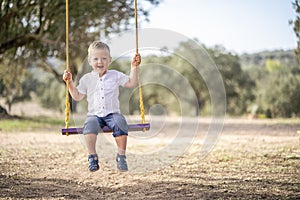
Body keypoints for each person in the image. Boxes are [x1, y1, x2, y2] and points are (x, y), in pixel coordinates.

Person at [63, 41, 141, 172]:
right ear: (89, 61)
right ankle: (92, 156)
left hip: (113, 113)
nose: (100, 61)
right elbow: (76, 96)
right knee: (89, 126)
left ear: (109, 60)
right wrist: (69, 82)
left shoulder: (115, 75)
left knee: (120, 123)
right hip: (94, 115)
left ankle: (121, 156)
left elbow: (131, 83)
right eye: (96, 59)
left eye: (104, 58)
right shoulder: (86, 79)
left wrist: (134, 67)